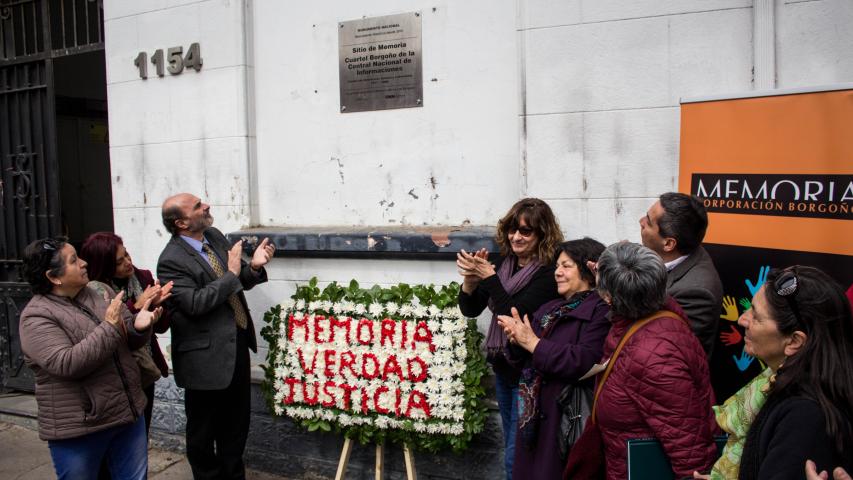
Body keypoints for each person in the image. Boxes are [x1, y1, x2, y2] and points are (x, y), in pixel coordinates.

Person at [19, 237, 161, 479]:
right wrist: (109, 326)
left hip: (126, 415)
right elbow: (67, 363)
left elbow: (127, 338)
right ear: (53, 277)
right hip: (81, 428)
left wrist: (139, 327)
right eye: (74, 260)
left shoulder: (99, 292)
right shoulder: (36, 317)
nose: (84, 263)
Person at [157, 193, 275, 479]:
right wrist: (232, 274)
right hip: (203, 361)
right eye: (198, 206)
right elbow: (195, 304)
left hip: (236, 347)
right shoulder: (171, 260)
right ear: (181, 223)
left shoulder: (214, 236)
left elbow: (237, 281)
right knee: (203, 434)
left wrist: (253, 267)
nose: (207, 206)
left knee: (235, 428)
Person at [457, 198, 563, 480]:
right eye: (511, 230)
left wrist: (490, 278)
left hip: (529, 375)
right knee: (512, 448)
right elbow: (470, 309)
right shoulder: (505, 264)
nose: (515, 237)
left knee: (516, 455)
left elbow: (516, 315)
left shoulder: (549, 273)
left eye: (525, 231)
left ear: (542, 234)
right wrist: (470, 282)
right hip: (503, 370)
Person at [593, 241, 717, 480]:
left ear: (609, 298)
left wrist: (608, 281)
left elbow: (688, 447)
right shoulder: (654, 311)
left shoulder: (652, 358)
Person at [497, 238, 611, 480]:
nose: (557, 272)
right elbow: (526, 358)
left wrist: (532, 343)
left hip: (566, 418)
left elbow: (585, 361)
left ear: (589, 270)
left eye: (566, 266)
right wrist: (516, 342)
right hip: (534, 417)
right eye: (557, 266)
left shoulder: (601, 310)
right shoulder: (549, 309)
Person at [731, 267, 853, 479]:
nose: (742, 319)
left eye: (756, 316)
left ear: (794, 341)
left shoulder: (805, 418)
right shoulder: (794, 391)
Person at [81, 232, 173, 436]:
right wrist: (137, 306)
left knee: (142, 430)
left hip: (145, 367)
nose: (128, 263)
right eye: (119, 262)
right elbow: (106, 331)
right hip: (116, 373)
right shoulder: (93, 292)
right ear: (104, 266)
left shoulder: (143, 278)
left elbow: (160, 327)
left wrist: (157, 306)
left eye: (127, 255)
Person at [639, 192, 722, 356]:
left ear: (668, 244)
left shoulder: (696, 293)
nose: (640, 222)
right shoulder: (672, 253)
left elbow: (660, 348)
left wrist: (612, 286)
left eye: (648, 222)